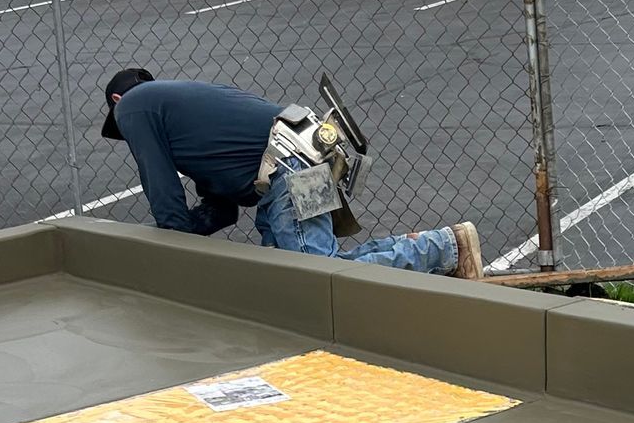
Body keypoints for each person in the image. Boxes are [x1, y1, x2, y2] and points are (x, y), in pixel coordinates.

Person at [100, 70, 483, 276]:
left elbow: (163, 194)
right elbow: (224, 208)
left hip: (287, 167)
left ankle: (442, 248)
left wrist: (170, 243)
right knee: (295, 272)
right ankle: (433, 247)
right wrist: (187, 230)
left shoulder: (133, 107)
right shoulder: (186, 115)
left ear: (117, 101)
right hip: (300, 156)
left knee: (318, 275)